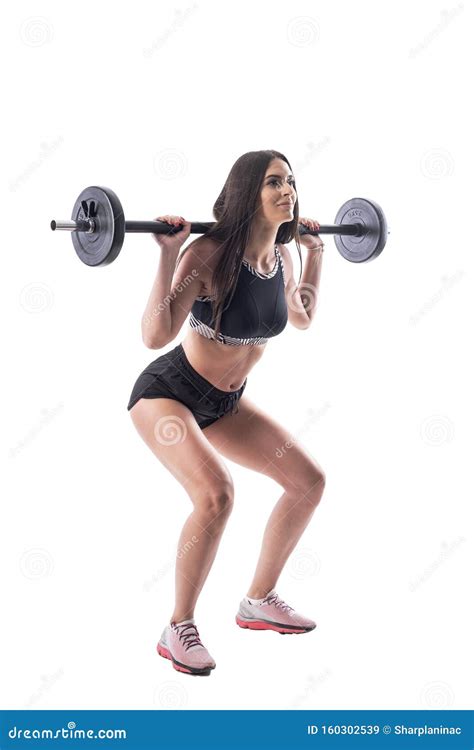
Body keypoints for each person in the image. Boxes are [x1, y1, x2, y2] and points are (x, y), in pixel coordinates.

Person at [127, 149, 326, 676]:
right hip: (168, 393)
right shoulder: (208, 256)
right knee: (216, 496)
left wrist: (315, 253)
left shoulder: (281, 259)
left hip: (224, 404)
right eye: (273, 183)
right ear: (248, 194)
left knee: (308, 482)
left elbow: (301, 316)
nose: (288, 190)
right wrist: (169, 254)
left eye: (290, 181)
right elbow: (154, 335)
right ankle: (178, 627)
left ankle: (258, 600)